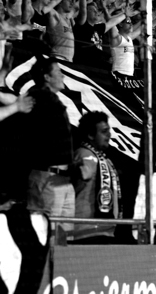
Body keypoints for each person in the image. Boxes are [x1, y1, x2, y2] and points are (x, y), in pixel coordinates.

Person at [24, 58, 75, 233]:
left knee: (63, 237)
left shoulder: (53, 100)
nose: (63, 75)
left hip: (62, 179)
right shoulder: (38, 96)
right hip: (46, 177)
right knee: (44, 233)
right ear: (46, 76)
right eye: (58, 71)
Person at [70, 111, 121, 243]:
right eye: (104, 131)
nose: (108, 135)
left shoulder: (104, 158)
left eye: (109, 131)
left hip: (104, 230)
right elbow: (80, 176)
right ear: (90, 135)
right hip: (85, 231)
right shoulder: (83, 154)